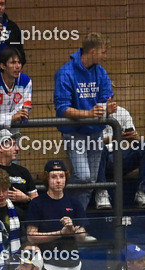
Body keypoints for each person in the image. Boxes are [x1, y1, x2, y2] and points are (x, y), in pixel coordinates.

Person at [54, 32, 115, 212]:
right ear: (93, 51)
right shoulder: (66, 73)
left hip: (96, 132)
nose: (106, 56)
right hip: (74, 132)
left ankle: (77, 217)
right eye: (103, 52)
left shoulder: (100, 72)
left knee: (91, 181)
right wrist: (88, 113)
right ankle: (61, 205)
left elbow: (105, 98)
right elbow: (63, 108)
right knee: (83, 176)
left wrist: (107, 108)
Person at [24, 159, 89, 270]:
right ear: (47, 179)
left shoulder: (74, 202)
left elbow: (82, 236)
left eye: (61, 176)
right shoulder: (37, 203)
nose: (58, 181)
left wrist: (72, 229)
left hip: (72, 263)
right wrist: (60, 233)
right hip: (48, 263)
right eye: (54, 177)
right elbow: (31, 236)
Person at [102, 104, 145, 209]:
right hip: (101, 160)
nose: (108, 99)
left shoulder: (122, 112)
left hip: (121, 156)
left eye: (110, 96)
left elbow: (135, 141)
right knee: (100, 149)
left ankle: (143, 192)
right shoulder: (93, 112)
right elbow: (93, 142)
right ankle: (102, 192)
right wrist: (115, 137)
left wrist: (135, 137)